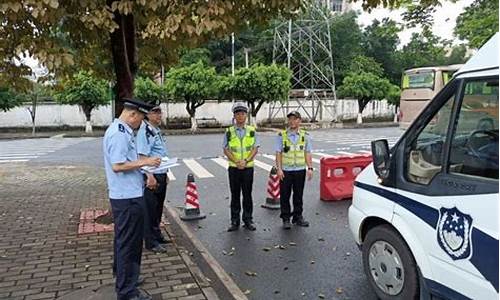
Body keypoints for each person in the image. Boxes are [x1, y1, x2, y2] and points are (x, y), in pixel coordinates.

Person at [103, 98, 161, 300]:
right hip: (127, 198)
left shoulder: (122, 130)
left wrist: (145, 172)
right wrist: (146, 162)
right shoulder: (119, 133)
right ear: (133, 114)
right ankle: (127, 292)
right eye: (141, 118)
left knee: (124, 242)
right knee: (129, 244)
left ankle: (124, 278)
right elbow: (118, 165)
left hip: (127, 195)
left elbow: (125, 162)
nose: (141, 123)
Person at [136, 102, 171, 254]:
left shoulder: (155, 130)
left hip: (160, 173)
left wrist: (166, 173)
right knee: (150, 210)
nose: (159, 115)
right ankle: (151, 242)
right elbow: (142, 157)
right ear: (147, 115)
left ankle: (157, 235)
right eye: (155, 112)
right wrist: (149, 176)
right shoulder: (145, 132)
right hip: (152, 177)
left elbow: (161, 154)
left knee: (158, 208)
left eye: (159, 112)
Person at [223, 102, 259, 232]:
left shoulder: (252, 130)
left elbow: (255, 148)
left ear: (246, 115)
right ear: (234, 116)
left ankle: (248, 220)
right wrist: (237, 161)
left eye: (243, 114)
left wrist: (245, 160)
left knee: (247, 194)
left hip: (248, 167)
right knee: (235, 195)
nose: (240, 116)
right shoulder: (229, 131)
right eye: (238, 114)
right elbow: (226, 149)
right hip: (234, 168)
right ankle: (234, 221)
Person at [275, 111, 313, 229]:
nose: (292, 121)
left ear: (299, 121)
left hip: (300, 170)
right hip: (286, 170)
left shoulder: (305, 136)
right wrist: (279, 169)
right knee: (285, 195)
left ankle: (298, 216)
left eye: (295, 119)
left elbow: (307, 153)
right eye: (290, 119)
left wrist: (310, 167)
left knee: (298, 195)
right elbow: (278, 153)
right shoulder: (282, 136)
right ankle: (286, 218)